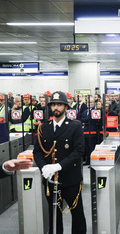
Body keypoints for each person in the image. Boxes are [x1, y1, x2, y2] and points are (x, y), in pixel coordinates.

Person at [33, 91, 86, 234]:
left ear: (66, 107)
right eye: (53, 105)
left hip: (70, 178)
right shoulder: (44, 127)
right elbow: (37, 151)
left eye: (59, 105)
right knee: (53, 215)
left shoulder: (75, 125)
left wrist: (59, 165)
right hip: (50, 180)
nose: (56, 107)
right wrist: (43, 167)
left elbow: (79, 151)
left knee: (77, 214)